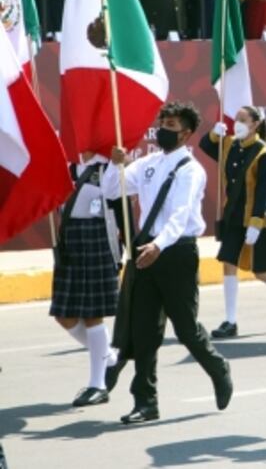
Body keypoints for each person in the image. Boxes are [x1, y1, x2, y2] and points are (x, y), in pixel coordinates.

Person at [102, 102, 233, 424]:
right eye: (162, 122)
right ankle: (146, 402)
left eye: (171, 125)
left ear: (185, 133)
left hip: (176, 252)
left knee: (186, 328)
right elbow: (111, 189)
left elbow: (180, 214)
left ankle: (218, 367)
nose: (163, 129)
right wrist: (114, 165)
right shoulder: (148, 163)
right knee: (143, 331)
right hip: (146, 250)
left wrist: (159, 246)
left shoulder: (191, 170)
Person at [199, 107, 266, 339]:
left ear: (255, 124)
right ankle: (230, 321)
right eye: (236, 119)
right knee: (228, 262)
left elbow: (261, 191)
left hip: (256, 218)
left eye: (243, 120)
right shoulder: (230, 145)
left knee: (262, 272)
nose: (237, 123)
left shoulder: (261, 151)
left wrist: (256, 223)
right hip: (233, 216)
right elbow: (206, 146)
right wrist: (215, 135)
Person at [49, 153, 124, 407]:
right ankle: (110, 357)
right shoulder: (68, 166)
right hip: (70, 240)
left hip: (97, 239)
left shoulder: (107, 166)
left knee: (93, 314)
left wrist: (117, 163)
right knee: (64, 315)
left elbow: (117, 201)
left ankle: (98, 384)